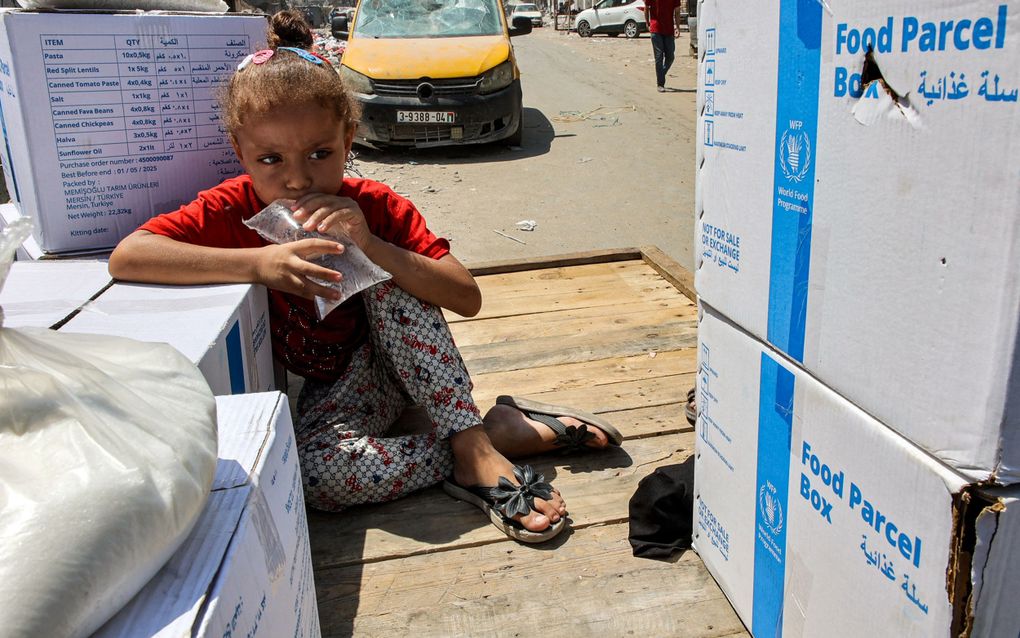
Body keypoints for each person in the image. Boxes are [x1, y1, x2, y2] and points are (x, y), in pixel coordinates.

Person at [108, 11, 622, 544]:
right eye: (269, 159)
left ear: (349, 137)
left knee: (389, 273)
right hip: (340, 391)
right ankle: (494, 438)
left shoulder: (373, 206)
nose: (298, 177)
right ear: (240, 152)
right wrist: (257, 265)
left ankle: (471, 443)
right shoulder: (230, 208)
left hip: (406, 368)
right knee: (312, 477)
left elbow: (465, 296)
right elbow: (130, 255)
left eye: (320, 153)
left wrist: (372, 246)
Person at [644, 0, 682, 91]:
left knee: (670, 57)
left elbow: (677, 11)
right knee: (659, 56)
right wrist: (647, 23)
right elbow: (646, 8)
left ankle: (661, 74)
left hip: (669, 30)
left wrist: (677, 27)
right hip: (656, 29)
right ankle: (660, 84)